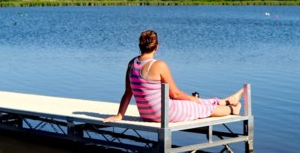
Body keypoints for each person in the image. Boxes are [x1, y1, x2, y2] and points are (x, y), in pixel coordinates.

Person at [103, 29, 243, 123]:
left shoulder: (132, 64)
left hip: (146, 115)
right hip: (163, 114)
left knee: (195, 102)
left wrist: (119, 115)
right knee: (201, 107)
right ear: (157, 47)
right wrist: (192, 99)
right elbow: (175, 94)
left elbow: (128, 92)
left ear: (140, 46)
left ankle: (226, 100)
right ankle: (232, 108)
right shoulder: (158, 65)